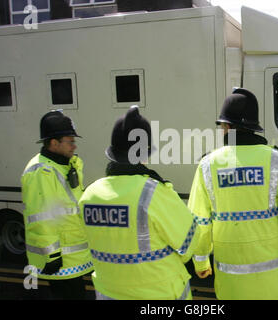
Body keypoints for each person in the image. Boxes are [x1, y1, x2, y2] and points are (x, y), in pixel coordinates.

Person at [188, 88, 278, 300]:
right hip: (276, 288)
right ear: (253, 126)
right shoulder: (275, 160)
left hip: (231, 289)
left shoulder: (208, 165)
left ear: (226, 126)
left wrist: (200, 262)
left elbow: (200, 223)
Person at [79, 106, 200, 300]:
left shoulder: (89, 195)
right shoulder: (153, 192)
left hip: (108, 293)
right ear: (145, 154)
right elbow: (189, 242)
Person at [21, 110, 93, 300]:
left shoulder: (66, 165)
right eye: (70, 141)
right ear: (54, 143)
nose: (74, 145)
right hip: (61, 259)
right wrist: (52, 255)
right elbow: (41, 217)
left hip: (73, 256)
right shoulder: (41, 172)